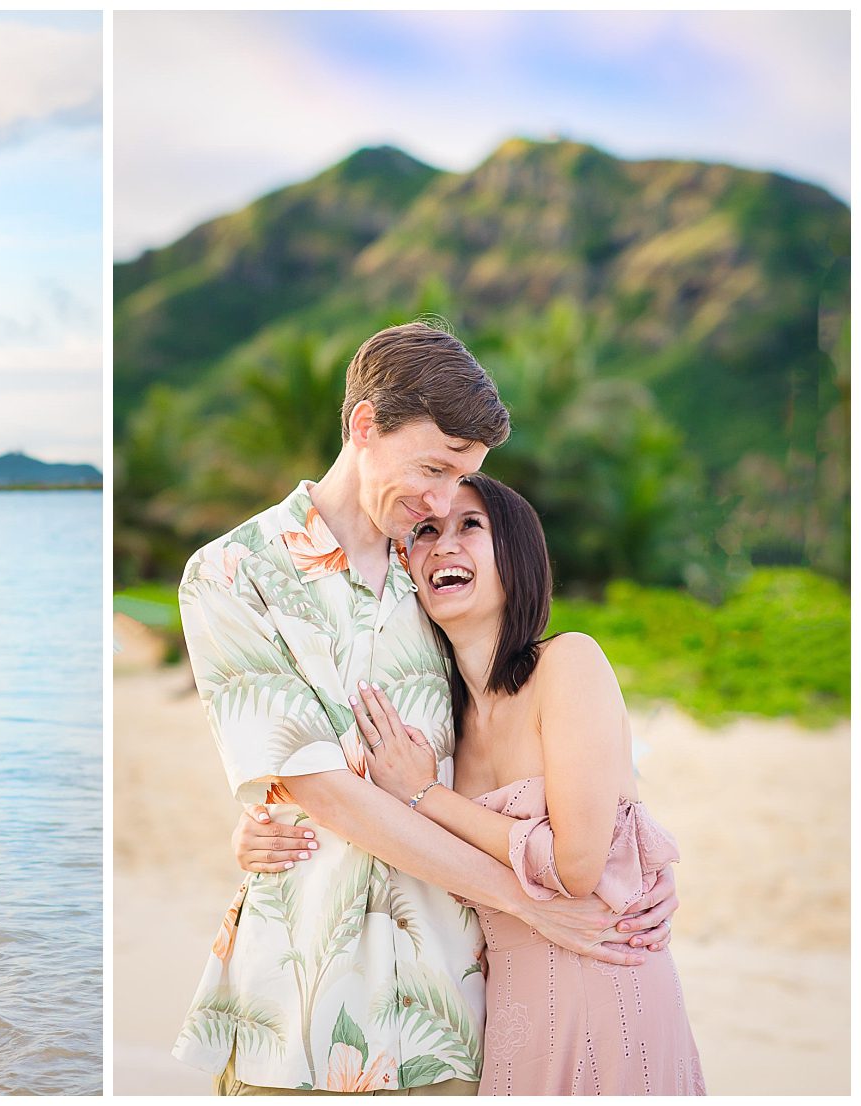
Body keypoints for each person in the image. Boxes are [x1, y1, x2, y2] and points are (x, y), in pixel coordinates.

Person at [174, 321, 676, 1095]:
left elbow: (550, 736)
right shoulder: (232, 575)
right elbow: (319, 789)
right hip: (299, 1006)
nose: (442, 502)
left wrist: (633, 860)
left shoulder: (442, 578)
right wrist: (533, 902)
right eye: (435, 467)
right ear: (364, 426)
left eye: (464, 478)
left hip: (458, 1009)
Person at [334, 473, 703, 1094]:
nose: (443, 544)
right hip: (507, 1019)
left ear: (518, 555)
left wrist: (428, 796)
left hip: (611, 992)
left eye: (469, 526)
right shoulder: (439, 723)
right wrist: (256, 827)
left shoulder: (569, 663)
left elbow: (580, 866)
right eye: (425, 531)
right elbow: (334, 792)